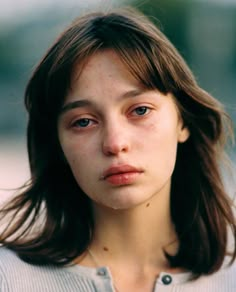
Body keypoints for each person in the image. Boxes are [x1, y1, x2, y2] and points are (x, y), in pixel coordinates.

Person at [0, 7, 235, 292]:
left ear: (182, 122)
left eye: (140, 110)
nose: (115, 143)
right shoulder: (10, 279)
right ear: (58, 144)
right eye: (83, 121)